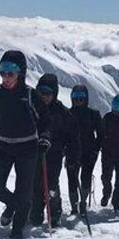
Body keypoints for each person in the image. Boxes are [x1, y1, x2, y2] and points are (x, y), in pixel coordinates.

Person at [0, 50, 51, 239]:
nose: (6, 77)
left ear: (21, 73)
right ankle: (12, 205)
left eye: (10, 72)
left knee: (24, 191)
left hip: (28, 148)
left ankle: (17, 231)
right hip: (2, 145)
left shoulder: (30, 94)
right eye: (2, 71)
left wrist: (44, 138)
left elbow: (45, 120)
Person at [31, 73, 80, 228]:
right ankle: (36, 214)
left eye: (48, 93)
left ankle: (55, 214)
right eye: (41, 92)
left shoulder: (63, 112)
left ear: (55, 93)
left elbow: (73, 137)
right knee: (35, 184)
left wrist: (72, 157)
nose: (44, 96)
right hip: (33, 153)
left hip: (55, 154)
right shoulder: (32, 107)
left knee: (51, 184)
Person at [66, 85, 104, 215]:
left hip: (89, 153)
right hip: (72, 152)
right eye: (75, 98)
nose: (78, 101)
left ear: (86, 98)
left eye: (81, 98)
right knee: (72, 180)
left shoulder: (93, 114)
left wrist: (95, 151)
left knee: (85, 178)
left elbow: (101, 135)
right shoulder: (67, 113)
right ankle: (74, 207)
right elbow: (62, 134)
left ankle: (82, 203)